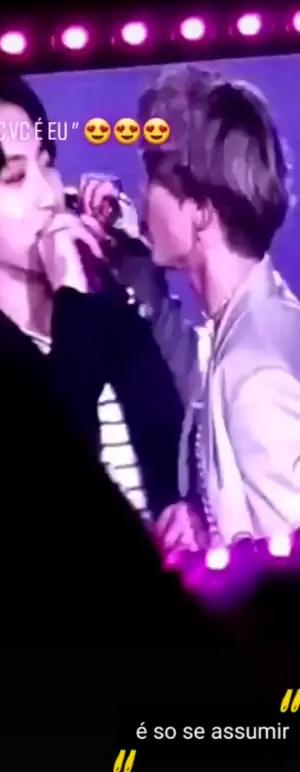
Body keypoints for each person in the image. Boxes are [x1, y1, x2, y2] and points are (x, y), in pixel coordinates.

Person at [0, 67, 184, 524]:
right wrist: (72, 304)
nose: (48, 195)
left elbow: (180, 462)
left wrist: (184, 512)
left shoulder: (117, 322)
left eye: (46, 163)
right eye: (15, 177)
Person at [116, 64, 300, 551]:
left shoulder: (254, 375)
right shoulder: (252, 326)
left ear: (199, 209)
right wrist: (208, 524)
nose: (141, 195)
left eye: (151, 176)